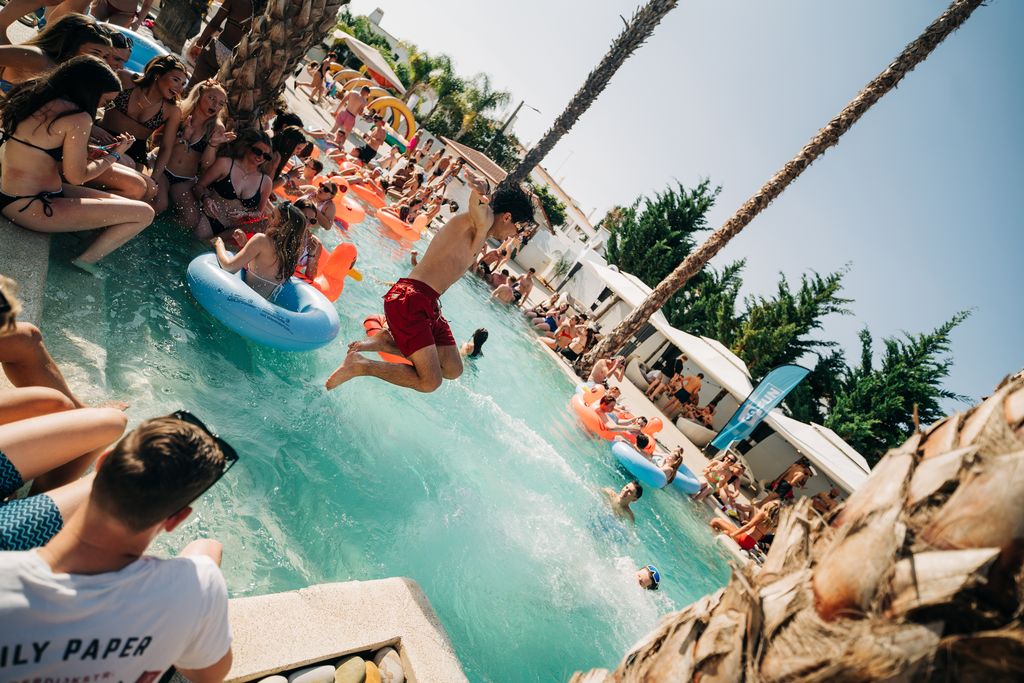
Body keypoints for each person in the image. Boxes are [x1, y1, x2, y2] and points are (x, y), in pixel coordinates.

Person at [0, 414, 235, 682]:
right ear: (177, 519)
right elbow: (208, 673)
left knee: (108, 419)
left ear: (102, 461)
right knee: (207, 547)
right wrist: (203, 574)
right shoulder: (196, 590)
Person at [326, 172, 534, 393]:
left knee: (454, 369)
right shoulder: (482, 222)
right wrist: (481, 192)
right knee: (430, 382)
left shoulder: (483, 230)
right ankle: (359, 365)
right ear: (508, 217)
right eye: (518, 229)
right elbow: (478, 206)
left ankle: (389, 341)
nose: (515, 236)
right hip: (411, 300)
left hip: (427, 302)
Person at [0, 56, 154, 272]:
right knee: (144, 213)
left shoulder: (31, 93)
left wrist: (90, 152)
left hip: (13, 192)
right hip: (32, 205)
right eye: (104, 101)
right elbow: (78, 176)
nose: (104, 107)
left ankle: (80, 244)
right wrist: (115, 155)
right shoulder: (78, 118)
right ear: (90, 91)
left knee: (123, 202)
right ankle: (83, 261)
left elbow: (37, 145)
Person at [154, 79, 232, 217]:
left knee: (191, 219)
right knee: (160, 204)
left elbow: (206, 165)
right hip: (162, 168)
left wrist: (212, 144)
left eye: (220, 103)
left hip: (185, 179)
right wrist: (182, 138)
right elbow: (155, 141)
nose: (215, 105)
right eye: (211, 98)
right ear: (200, 95)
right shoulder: (179, 112)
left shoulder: (217, 128)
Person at [213, 202, 307, 300]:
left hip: (242, 300)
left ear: (282, 224)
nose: (268, 216)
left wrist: (219, 243)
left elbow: (229, 267)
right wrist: (245, 244)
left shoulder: (261, 240)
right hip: (263, 306)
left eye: (273, 216)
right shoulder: (293, 253)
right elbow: (264, 268)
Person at [192, 128, 272, 239]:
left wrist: (246, 214)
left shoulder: (266, 182)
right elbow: (198, 186)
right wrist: (205, 198)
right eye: (258, 151)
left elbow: (259, 212)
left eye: (266, 156)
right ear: (247, 147)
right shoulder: (225, 164)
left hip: (233, 232)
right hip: (209, 219)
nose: (261, 157)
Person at [0, 12, 110, 92]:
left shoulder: (67, 70)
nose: (99, 60)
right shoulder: (37, 57)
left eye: (104, 56)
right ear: (71, 43)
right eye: (95, 53)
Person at [188, 0, 256, 88]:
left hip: (217, 51)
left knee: (192, 88)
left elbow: (215, 23)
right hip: (235, 62)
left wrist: (199, 44)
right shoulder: (266, 12)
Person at [710, 499, 782, 551]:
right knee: (726, 532)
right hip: (749, 544)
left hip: (744, 538)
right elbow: (759, 532)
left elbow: (748, 527)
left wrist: (733, 534)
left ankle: (709, 535)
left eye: (772, 501)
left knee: (716, 521)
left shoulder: (762, 514)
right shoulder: (772, 522)